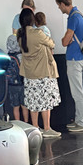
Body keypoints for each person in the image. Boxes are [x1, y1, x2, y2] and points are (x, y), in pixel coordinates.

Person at [18, 8, 61, 138]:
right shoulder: (38, 33)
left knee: (33, 102)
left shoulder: (20, 35)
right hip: (43, 73)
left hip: (29, 74)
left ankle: (35, 128)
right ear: (32, 19)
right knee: (46, 102)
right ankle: (47, 129)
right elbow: (51, 43)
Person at [55, 0, 83, 132]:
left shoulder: (73, 17)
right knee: (77, 92)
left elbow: (65, 41)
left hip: (75, 59)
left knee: (77, 92)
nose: (59, 8)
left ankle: (82, 123)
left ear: (63, 4)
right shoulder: (78, 15)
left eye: (59, 5)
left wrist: (65, 39)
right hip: (78, 58)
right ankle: (79, 120)